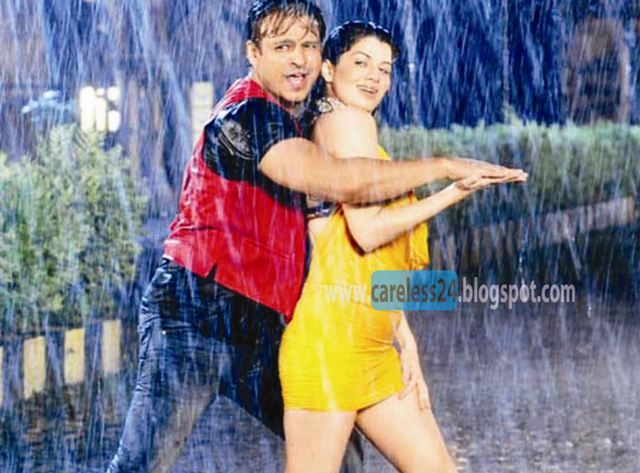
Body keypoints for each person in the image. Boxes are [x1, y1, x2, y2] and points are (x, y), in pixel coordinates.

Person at [107, 1, 526, 471]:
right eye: (283, 46)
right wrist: (445, 168)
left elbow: (345, 254)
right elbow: (345, 183)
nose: (299, 58)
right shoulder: (248, 117)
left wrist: (402, 334)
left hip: (263, 325)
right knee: (140, 464)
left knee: (340, 458)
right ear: (253, 53)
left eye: (308, 45)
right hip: (195, 317)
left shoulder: (303, 121)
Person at [279, 21, 527, 473]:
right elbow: (367, 232)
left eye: (385, 69)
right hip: (330, 347)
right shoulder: (346, 121)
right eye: (361, 63)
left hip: (369, 345)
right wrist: (453, 191)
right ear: (329, 70)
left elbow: (366, 262)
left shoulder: (347, 125)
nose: (374, 77)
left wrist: (404, 339)